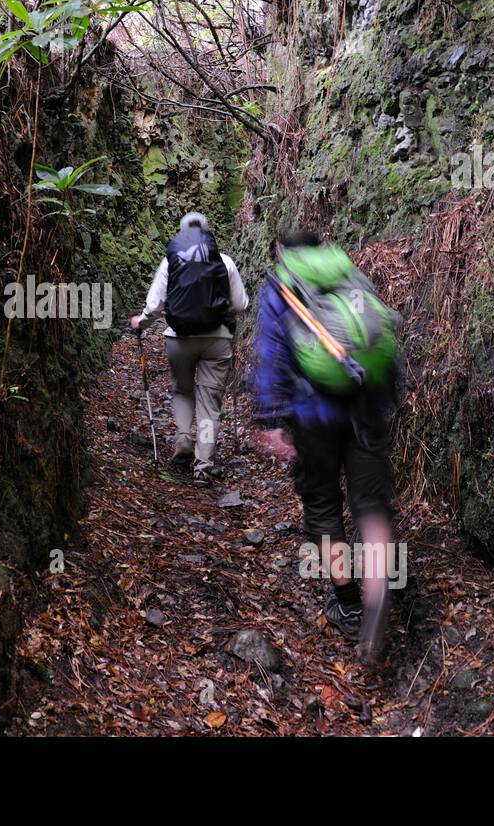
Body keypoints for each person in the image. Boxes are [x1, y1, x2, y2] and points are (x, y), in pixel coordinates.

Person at [250, 231, 402, 665]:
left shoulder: (282, 283)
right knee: (371, 505)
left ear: (282, 250)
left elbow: (271, 351)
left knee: (322, 504)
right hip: (364, 405)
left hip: (312, 415)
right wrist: (386, 397)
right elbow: (381, 335)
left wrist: (270, 419)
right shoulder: (346, 269)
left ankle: (349, 604)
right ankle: (377, 603)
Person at [130, 212, 249, 486]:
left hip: (179, 339)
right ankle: (203, 465)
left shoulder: (171, 260)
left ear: (181, 233)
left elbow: (156, 304)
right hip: (217, 340)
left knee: (183, 389)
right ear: (208, 233)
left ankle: (184, 439)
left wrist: (141, 322)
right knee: (209, 403)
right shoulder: (224, 261)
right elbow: (241, 304)